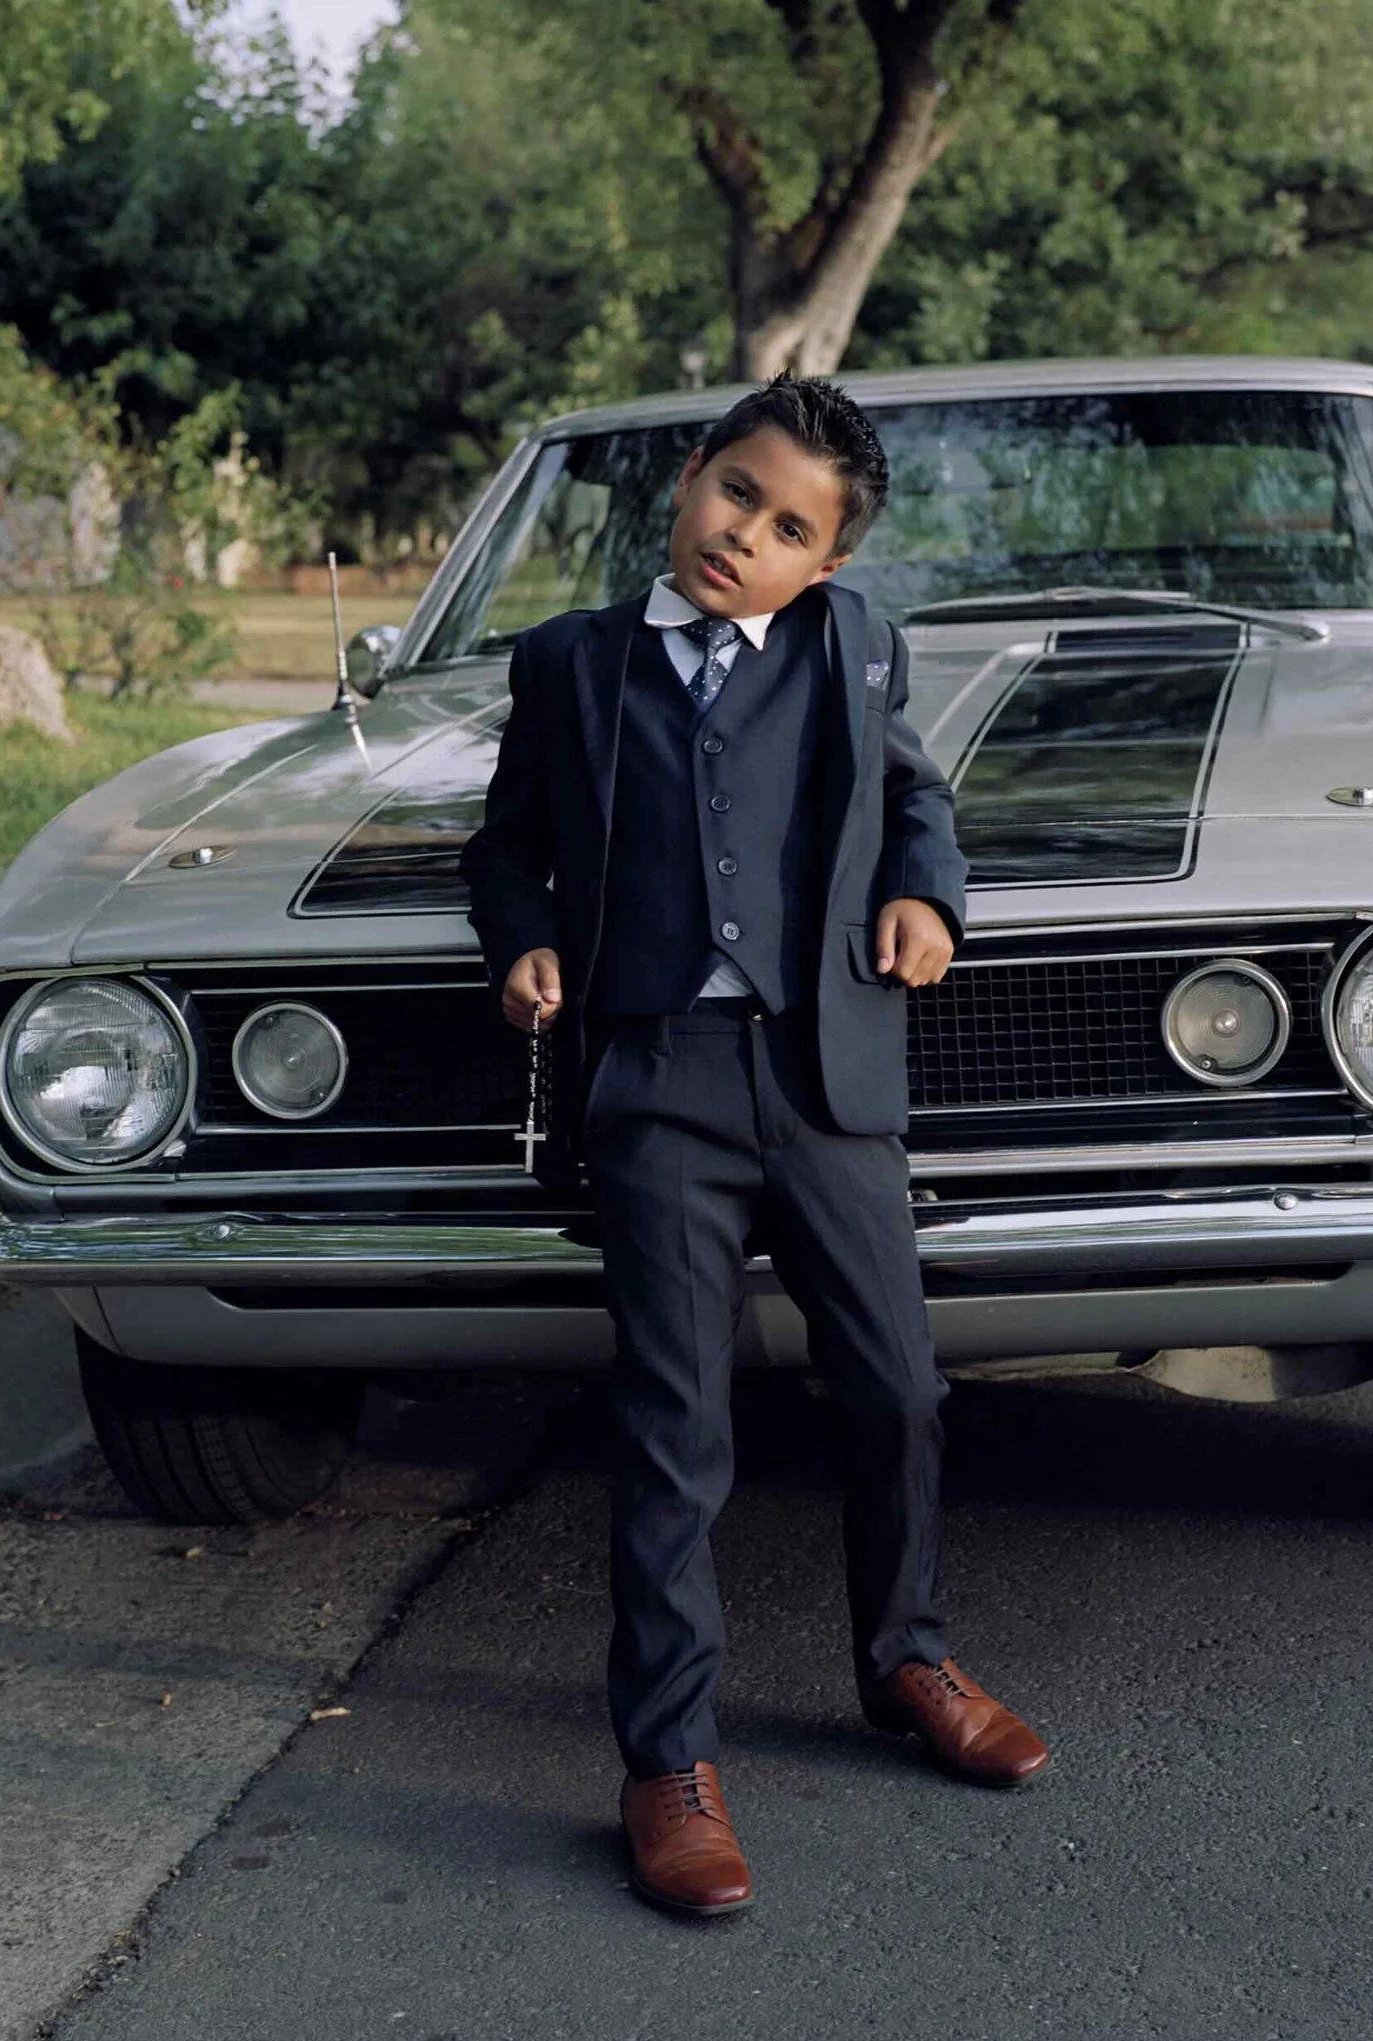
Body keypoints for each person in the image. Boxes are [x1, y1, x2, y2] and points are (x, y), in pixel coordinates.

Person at [459, 374, 1050, 1919]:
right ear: (694, 477)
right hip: (658, 1079)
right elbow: (504, 844)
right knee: (672, 1425)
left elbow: (918, 807)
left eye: (790, 527)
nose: (748, 535)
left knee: (900, 1387)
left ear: (826, 564)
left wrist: (931, 895)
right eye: (738, 493)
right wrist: (518, 939)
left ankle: (907, 1660)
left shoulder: (859, 650)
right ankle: (668, 1758)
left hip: (827, 1073)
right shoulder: (572, 665)